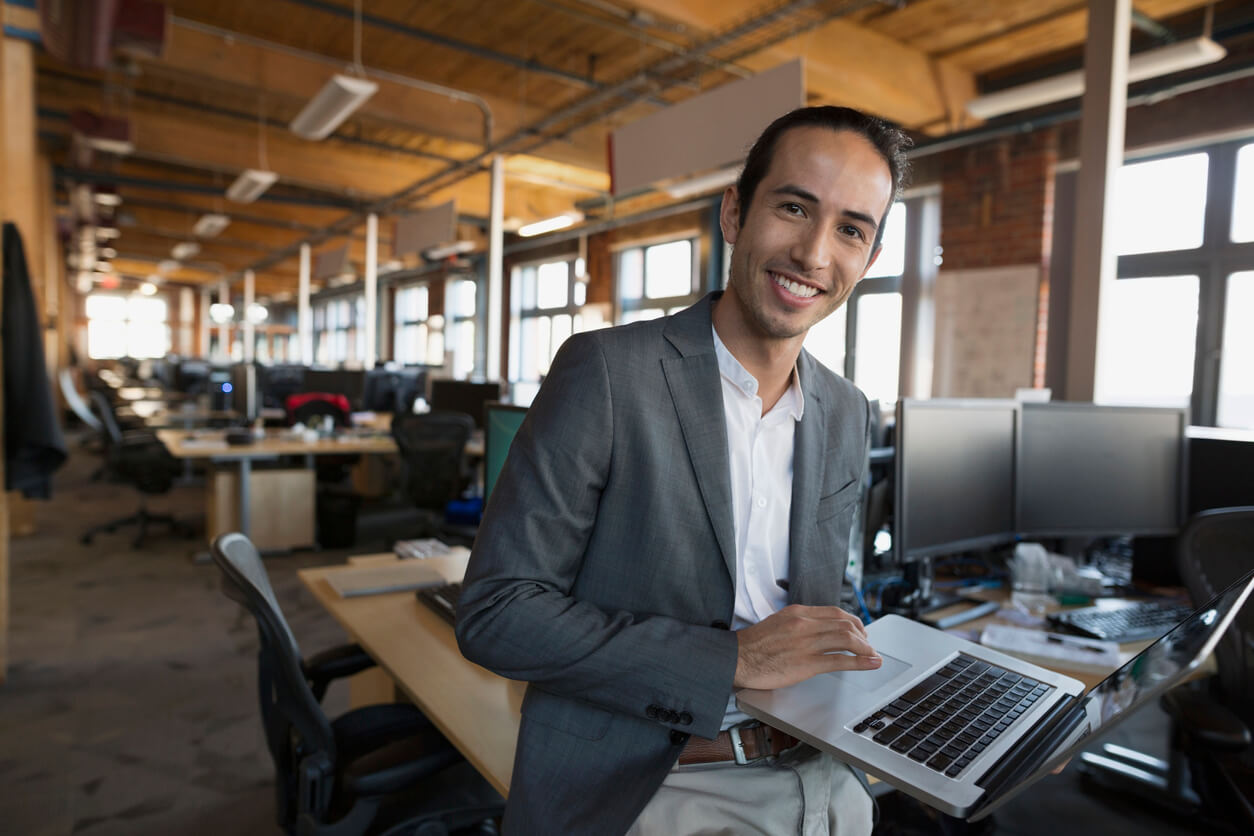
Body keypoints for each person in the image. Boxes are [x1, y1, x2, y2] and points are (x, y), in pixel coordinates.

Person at [456, 105, 911, 835]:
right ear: (734, 213)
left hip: (827, 771)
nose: (813, 254)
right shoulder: (608, 373)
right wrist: (730, 660)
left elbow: (823, 593)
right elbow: (498, 613)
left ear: (870, 257)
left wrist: (878, 662)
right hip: (660, 786)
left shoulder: (847, 410)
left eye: (851, 230)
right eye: (794, 208)